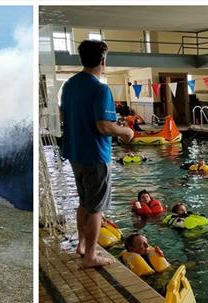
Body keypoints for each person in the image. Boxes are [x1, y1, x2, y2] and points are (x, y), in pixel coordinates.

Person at [60, 39, 134, 268]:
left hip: (75, 153)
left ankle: (81, 246)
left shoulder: (69, 85)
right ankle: (90, 257)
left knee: (84, 202)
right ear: (103, 60)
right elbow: (104, 126)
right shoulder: (100, 88)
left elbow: (64, 117)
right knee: (96, 208)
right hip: (95, 155)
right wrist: (125, 132)